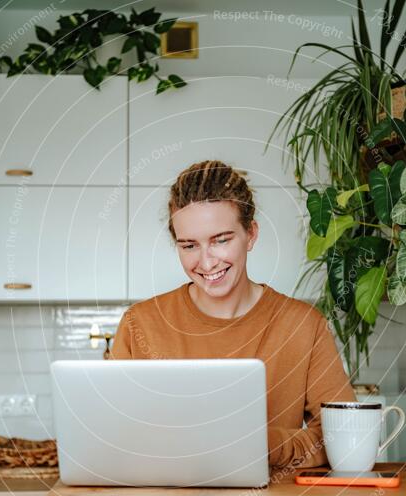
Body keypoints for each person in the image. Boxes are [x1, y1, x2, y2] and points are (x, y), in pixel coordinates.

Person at [110, 160, 356, 470]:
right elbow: (113, 435)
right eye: (188, 245)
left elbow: (340, 436)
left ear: (250, 234)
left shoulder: (303, 326)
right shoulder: (140, 324)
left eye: (221, 240)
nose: (206, 261)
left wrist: (257, 444)